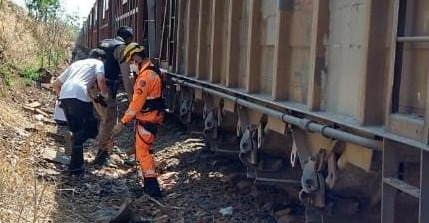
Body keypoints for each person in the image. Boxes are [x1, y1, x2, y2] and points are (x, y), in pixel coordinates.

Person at [112, 43, 164, 198]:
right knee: (145, 151)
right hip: (151, 118)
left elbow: (136, 105)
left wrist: (122, 122)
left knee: (143, 153)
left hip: (147, 120)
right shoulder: (152, 71)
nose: (130, 66)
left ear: (136, 58)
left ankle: (152, 189)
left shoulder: (144, 78)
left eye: (130, 62)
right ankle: (149, 186)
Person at [53, 49, 108, 174]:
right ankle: (74, 138)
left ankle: (76, 167)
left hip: (65, 95)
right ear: (100, 58)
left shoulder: (76, 64)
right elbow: (101, 80)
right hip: (80, 95)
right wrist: (104, 96)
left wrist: (62, 100)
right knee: (92, 128)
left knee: (77, 130)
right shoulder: (97, 63)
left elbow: (56, 84)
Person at [90, 26, 134, 166]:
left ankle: (101, 145)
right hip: (105, 88)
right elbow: (127, 75)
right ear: (128, 39)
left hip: (92, 86)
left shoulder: (104, 42)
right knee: (109, 119)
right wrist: (132, 98)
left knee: (101, 117)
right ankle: (102, 154)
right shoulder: (121, 48)